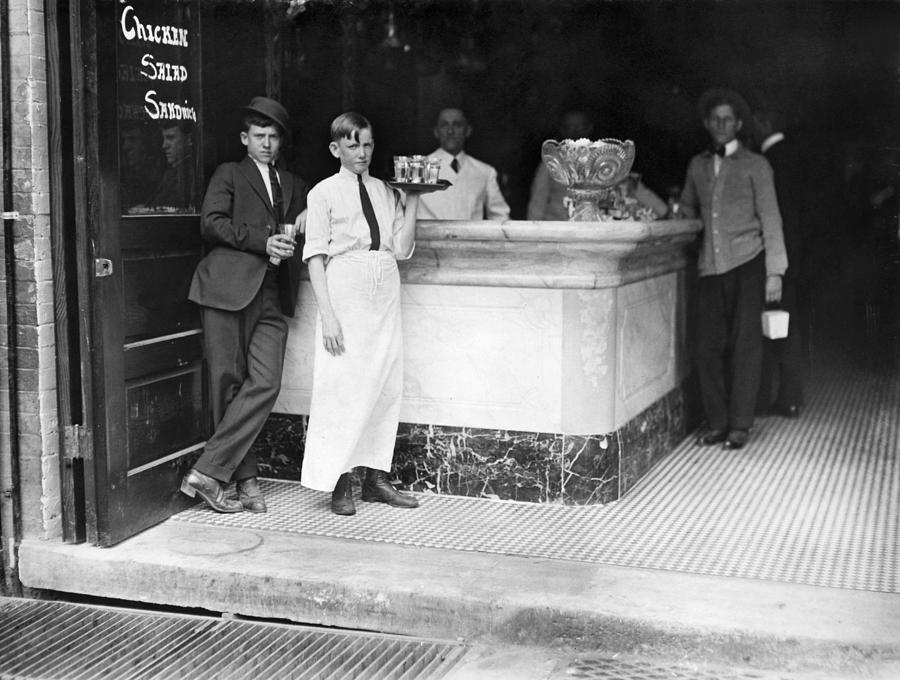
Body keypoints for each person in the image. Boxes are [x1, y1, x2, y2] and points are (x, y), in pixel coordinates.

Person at [181, 97, 308, 513]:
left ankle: (206, 472)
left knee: (266, 382)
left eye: (273, 137)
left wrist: (311, 216)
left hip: (272, 293)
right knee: (227, 383)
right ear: (244, 139)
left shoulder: (294, 184)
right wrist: (262, 241)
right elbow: (211, 223)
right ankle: (245, 480)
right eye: (259, 136)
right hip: (226, 290)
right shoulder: (229, 173)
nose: (266, 144)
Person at [301, 112, 421, 516]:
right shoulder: (322, 193)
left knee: (384, 382)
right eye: (353, 145)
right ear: (335, 149)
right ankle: (340, 481)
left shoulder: (386, 191)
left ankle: (376, 479)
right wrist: (328, 316)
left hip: (384, 291)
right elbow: (315, 257)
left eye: (367, 144)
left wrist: (413, 196)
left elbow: (402, 250)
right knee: (342, 387)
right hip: (345, 292)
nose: (362, 153)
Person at [680, 88, 787, 450]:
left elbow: (771, 219)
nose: (721, 125)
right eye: (715, 119)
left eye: (728, 119)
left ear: (739, 124)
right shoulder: (697, 165)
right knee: (706, 348)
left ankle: (740, 424)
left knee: (745, 346)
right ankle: (717, 422)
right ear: (707, 123)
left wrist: (775, 272)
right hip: (710, 267)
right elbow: (686, 210)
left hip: (748, 263)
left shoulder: (756, 165)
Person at [753, 104, 806, 418]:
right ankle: (789, 396)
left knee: (778, 327)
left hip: (780, 256)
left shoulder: (771, 160)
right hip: (793, 254)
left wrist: (776, 267)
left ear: (764, 122)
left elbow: (777, 217)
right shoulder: (793, 155)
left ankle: (781, 398)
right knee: (787, 324)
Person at [526, 110, 667, 221]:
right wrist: (533, 231)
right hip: (559, 228)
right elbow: (538, 200)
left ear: (589, 128)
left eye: (580, 127)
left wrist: (664, 211)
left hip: (596, 226)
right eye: (570, 127)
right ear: (562, 131)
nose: (575, 131)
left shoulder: (604, 158)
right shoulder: (553, 160)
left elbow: (632, 187)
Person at [417, 107, 510, 221]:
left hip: (470, 233)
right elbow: (401, 215)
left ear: (468, 131)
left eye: (457, 125)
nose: (450, 131)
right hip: (428, 233)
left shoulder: (485, 172)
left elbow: (500, 217)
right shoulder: (418, 168)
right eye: (444, 125)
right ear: (436, 132)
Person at [145, 121, 197, 211]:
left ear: (189, 139)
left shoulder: (189, 173)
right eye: (164, 138)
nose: (164, 145)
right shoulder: (172, 173)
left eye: (170, 138)